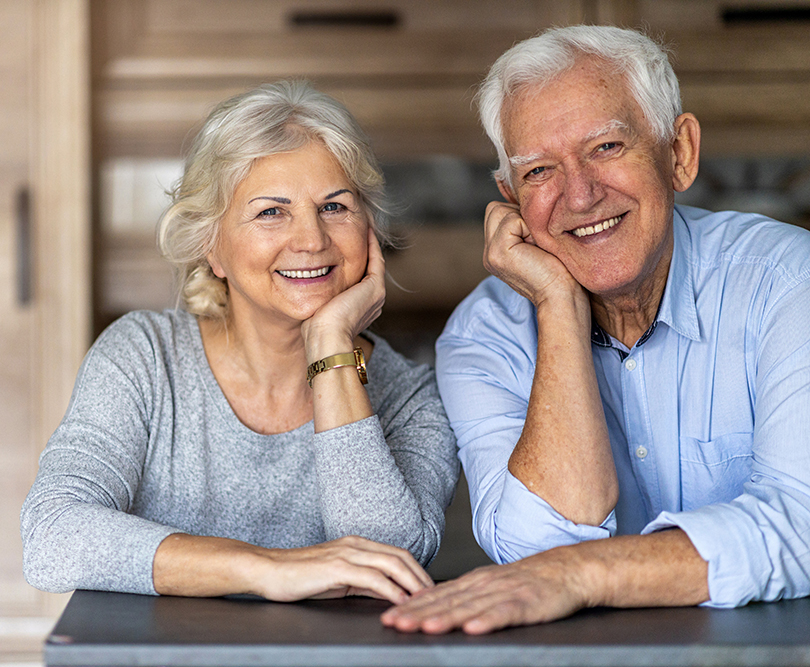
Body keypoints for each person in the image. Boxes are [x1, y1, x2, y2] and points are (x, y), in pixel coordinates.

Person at [381, 25, 810, 634]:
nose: (579, 195)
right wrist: (558, 305)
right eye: (538, 173)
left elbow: (803, 524)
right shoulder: (484, 335)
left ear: (679, 153)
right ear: (510, 200)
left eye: (607, 146)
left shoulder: (788, 281)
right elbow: (534, 550)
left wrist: (580, 574)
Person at [21, 80, 459, 604]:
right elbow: (51, 535)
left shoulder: (412, 395)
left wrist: (329, 346)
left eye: (335, 207)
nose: (311, 240)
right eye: (271, 211)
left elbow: (385, 561)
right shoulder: (144, 356)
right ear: (213, 248)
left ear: (369, 229)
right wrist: (268, 569)